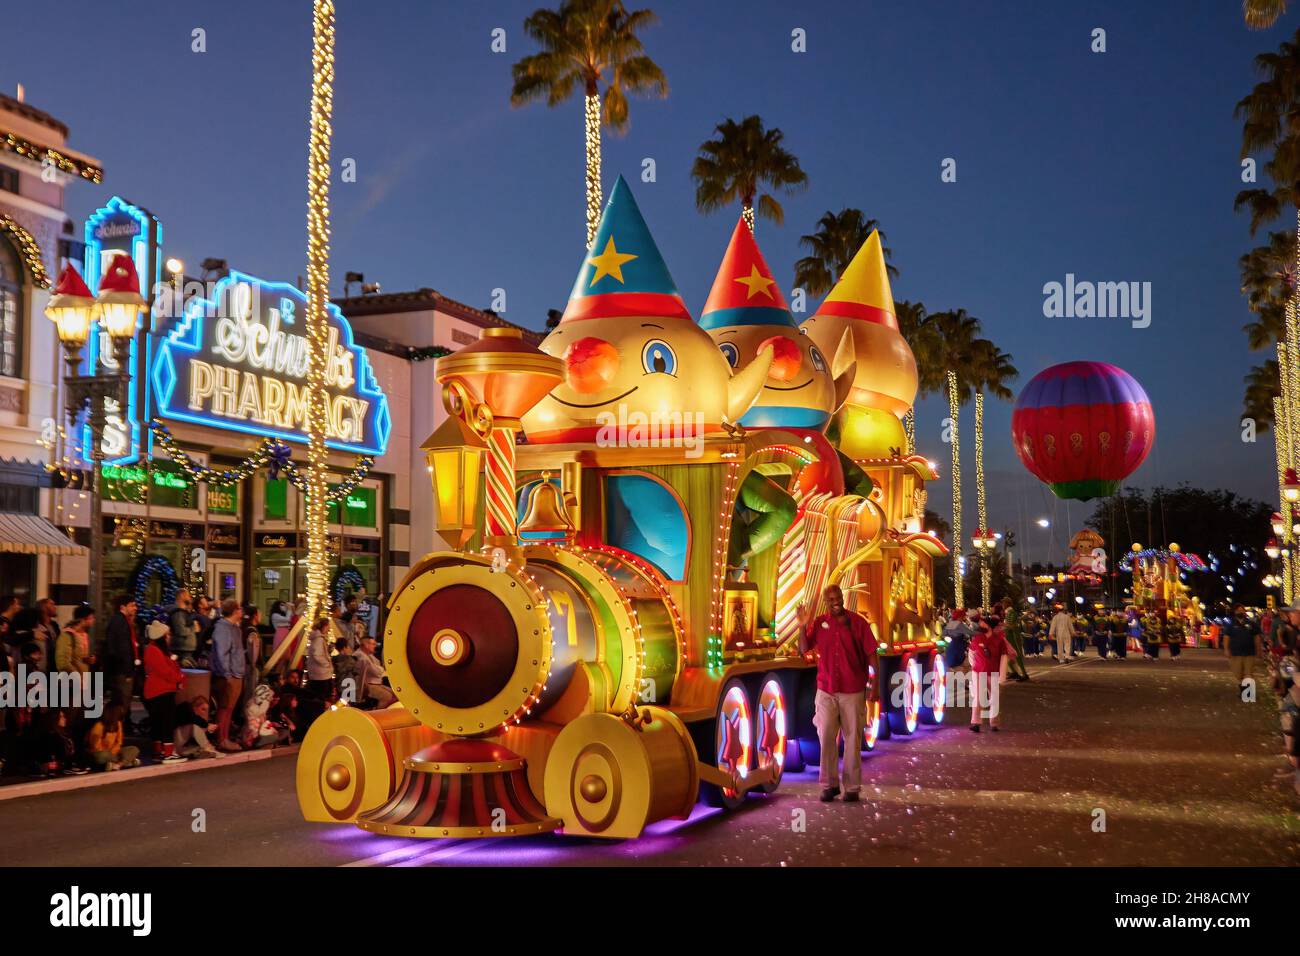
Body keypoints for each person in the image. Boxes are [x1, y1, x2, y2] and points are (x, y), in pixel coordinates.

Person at [797, 584, 877, 803]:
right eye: (831, 598)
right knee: (825, 736)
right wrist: (802, 626)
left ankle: (851, 787)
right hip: (826, 689)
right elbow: (803, 649)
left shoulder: (858, 623)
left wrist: (874, 685)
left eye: (838, 597)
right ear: (826, 601)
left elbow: (872, 654)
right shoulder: (819, 624)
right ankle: (829, 785)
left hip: (853, 689)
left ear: (843, 598)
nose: (836, 601)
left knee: (852, 739)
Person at [142, 620, 186, 763]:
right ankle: (167, 753)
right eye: (167, 635)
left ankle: (159, 751)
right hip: (161, 691)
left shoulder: (155, 650)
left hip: (159, 691)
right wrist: (179, 678)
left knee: (159, 722)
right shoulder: (154, 650)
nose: (169, 637)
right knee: (166, 722)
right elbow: (166, 671)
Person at [208, 599, 246, 752]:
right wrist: (227, 674)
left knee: (229, 708)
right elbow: (221, 653)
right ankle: (222, 739)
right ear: (234, 611)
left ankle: (225, 737)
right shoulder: (223, 629)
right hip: (228, 675)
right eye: (239, 608)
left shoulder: (235, 628)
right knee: (224, 708)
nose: (242, 611)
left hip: (237, 673)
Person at [102, 595, 141, 724]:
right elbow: (121, 648)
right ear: (123, 607)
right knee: (122, 700)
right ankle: (117, 728)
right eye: (132, 605)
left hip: (121, 669)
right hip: (122, 671)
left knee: (123, 700)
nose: (135, 608)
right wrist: (127, 670)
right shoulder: (119, 622)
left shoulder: (121, 621)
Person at [968, 619, 1010, 732]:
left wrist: (1002, 676)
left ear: (989, 626)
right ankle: (976, 722)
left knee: (994, 698)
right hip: (978, 672)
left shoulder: (999, 640)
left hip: (994, 673)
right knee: (978, 698)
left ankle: (994, 723)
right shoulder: (977, 638)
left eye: (983, 623)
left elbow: (1004, 658)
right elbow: (971, 654)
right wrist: (975, 666)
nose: (980, 625)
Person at [85, 704, 139, 771]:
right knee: (101, 756)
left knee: (134, 749)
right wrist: (113, 755)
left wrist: (114, 752)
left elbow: (119, 742)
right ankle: (127, 762)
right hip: (101, 753)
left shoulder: (118, 724)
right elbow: (96, 747)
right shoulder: (99, 726)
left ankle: (117, 764)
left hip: (113, 753)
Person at [1225, 604, 1263, 696]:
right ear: (1235, 612)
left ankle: (1248, 693)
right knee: (1238, 673)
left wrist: (1259, 649)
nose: (1240, 612)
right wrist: (1226, 649)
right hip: (1235, 653)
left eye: (1242, 610)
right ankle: (1244, 688)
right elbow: (1226, 637)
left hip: (1249, 652)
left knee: (1248, 672)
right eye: (1238, 610)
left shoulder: (1251, 624)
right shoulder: (1231, 625)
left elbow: (1257, 637)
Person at [354, 635, 395, 708]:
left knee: (393, 692)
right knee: (387, 696)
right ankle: (377, 714)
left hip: (373, 682)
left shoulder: (367, 655)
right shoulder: (360, 656)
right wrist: (380, 669)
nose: (375, 646)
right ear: (366, 645)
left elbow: (378, 667)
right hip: (363, 686)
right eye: (373, 644)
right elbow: (377, 672)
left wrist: (379, 669)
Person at [165, 588, 198, 667]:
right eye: (188, 595)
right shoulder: (178, 613)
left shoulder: (183, 612)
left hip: (185, 649)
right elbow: (181, 631)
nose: (190, 597)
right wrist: (194, 628)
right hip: (182, 650)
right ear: (182, 596)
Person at [240, 604, 263, 714]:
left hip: (247, 664)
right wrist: (255, 664)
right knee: (250, 692)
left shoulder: (245, 629)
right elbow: (253, 650)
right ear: (255, 616)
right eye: (259, 614)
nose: (261, 616)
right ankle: (247, 716)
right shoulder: (252, 631)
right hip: (250, 665)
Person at [305, 618, 335, 700]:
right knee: (323, 696)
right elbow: (316, 654)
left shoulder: (317, 639)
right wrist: (326, 664)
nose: (329, 628)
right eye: (328, 626)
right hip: (321, 674)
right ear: (324, 626)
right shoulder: (319, 639)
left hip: (319, 673)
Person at [943, 608, 972, 673]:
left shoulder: (952, 623)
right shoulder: (959, 625)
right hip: (957, 647)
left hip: (953, 647)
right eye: (963, 616)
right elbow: (969, 633)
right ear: (960, 616)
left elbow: (945, 634)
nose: (964, 617)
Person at [333, 637, 359, 701]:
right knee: (349, 706)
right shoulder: (350, 660)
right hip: (349, 684)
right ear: (344, 647)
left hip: (339, 684)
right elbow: (356, 671)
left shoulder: (334, 659)